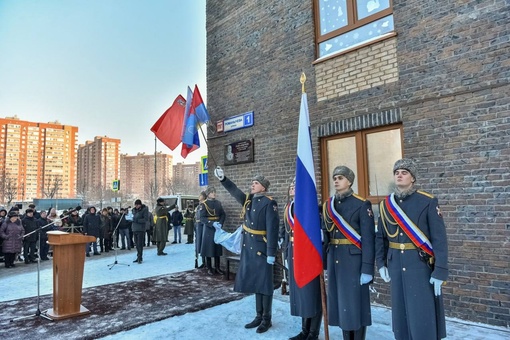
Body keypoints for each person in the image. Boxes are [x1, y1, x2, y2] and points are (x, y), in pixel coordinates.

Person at [376, 158, 448, 340]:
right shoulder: (386, 205)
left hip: (419, 265)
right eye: (396, 173)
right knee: (401, 315)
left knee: (421, 314)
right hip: (395, 266)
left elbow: (439, 239)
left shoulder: (428, 201)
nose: (399, 175)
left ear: (413, 178)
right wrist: (381, 263)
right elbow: (381, 237)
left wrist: (440, 271)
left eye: (404, 172)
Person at [214, 166, 279, 334]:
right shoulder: (249, 200)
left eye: (256, 183)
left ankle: (267, 319)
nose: (252, 185)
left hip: (262, 249)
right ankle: (258, 316)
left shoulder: (269, 202)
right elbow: (235, 191)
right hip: (249, 248)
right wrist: (223, 179)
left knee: (265, 284)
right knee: (257, 283)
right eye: (252, 182)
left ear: (263, 187)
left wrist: (271, 253)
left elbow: (272, 229)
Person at [322, 166, 375, 340]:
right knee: (341, 302)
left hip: (354, 261)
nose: (336, 180)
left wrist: (367, 269)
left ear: (349, 181)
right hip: (335, 259)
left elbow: (368, 239)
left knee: (355, 304)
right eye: (335, 177)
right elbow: (327, 236)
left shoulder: (361, 204)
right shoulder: (329, 205)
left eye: (340, 178)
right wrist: (322, 262)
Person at [281, 178, 322, 340]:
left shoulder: (312, 207)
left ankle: (313, 332)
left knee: (312, 293)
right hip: (293, 253)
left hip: (308, 254)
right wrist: (285, 251)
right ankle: (304, 330)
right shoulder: (289, 207)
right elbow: (286, 232)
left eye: (295, 186)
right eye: (291, 186)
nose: (292, 188)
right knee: (302, 293)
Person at [199, 186, 226, 276]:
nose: (214, 193)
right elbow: (202, 218)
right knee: (208, 248)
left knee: (217, 248)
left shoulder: (218, 203)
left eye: (214, 192)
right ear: (208, 194)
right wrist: (211, 223)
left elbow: (222, 214)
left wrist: (220, 223)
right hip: (209, 228)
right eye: (212, 192)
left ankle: (217, 267)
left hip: (217, 227)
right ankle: (209, 267)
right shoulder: (204, 204)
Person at [132, 199, 149, 264]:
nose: (136, 206)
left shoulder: (144, 209)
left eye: (137, 205)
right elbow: (132, 216)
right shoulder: (133, 210)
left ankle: (140, 257)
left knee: (140, 244)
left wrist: (137, 220)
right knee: (136, 244)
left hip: (141, 229)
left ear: (140, 205)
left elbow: (145, 219)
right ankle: (138, 256)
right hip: (134, 228)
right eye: (135, 205)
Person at [194, 191, 207, 268]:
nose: (199, 196)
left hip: (202, 226)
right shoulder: (199, 205)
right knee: (198, 243)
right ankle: (202, 261)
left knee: (202, 243)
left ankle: (204, 262)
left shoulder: (204, 205)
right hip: (198, 226)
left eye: (200, 195)